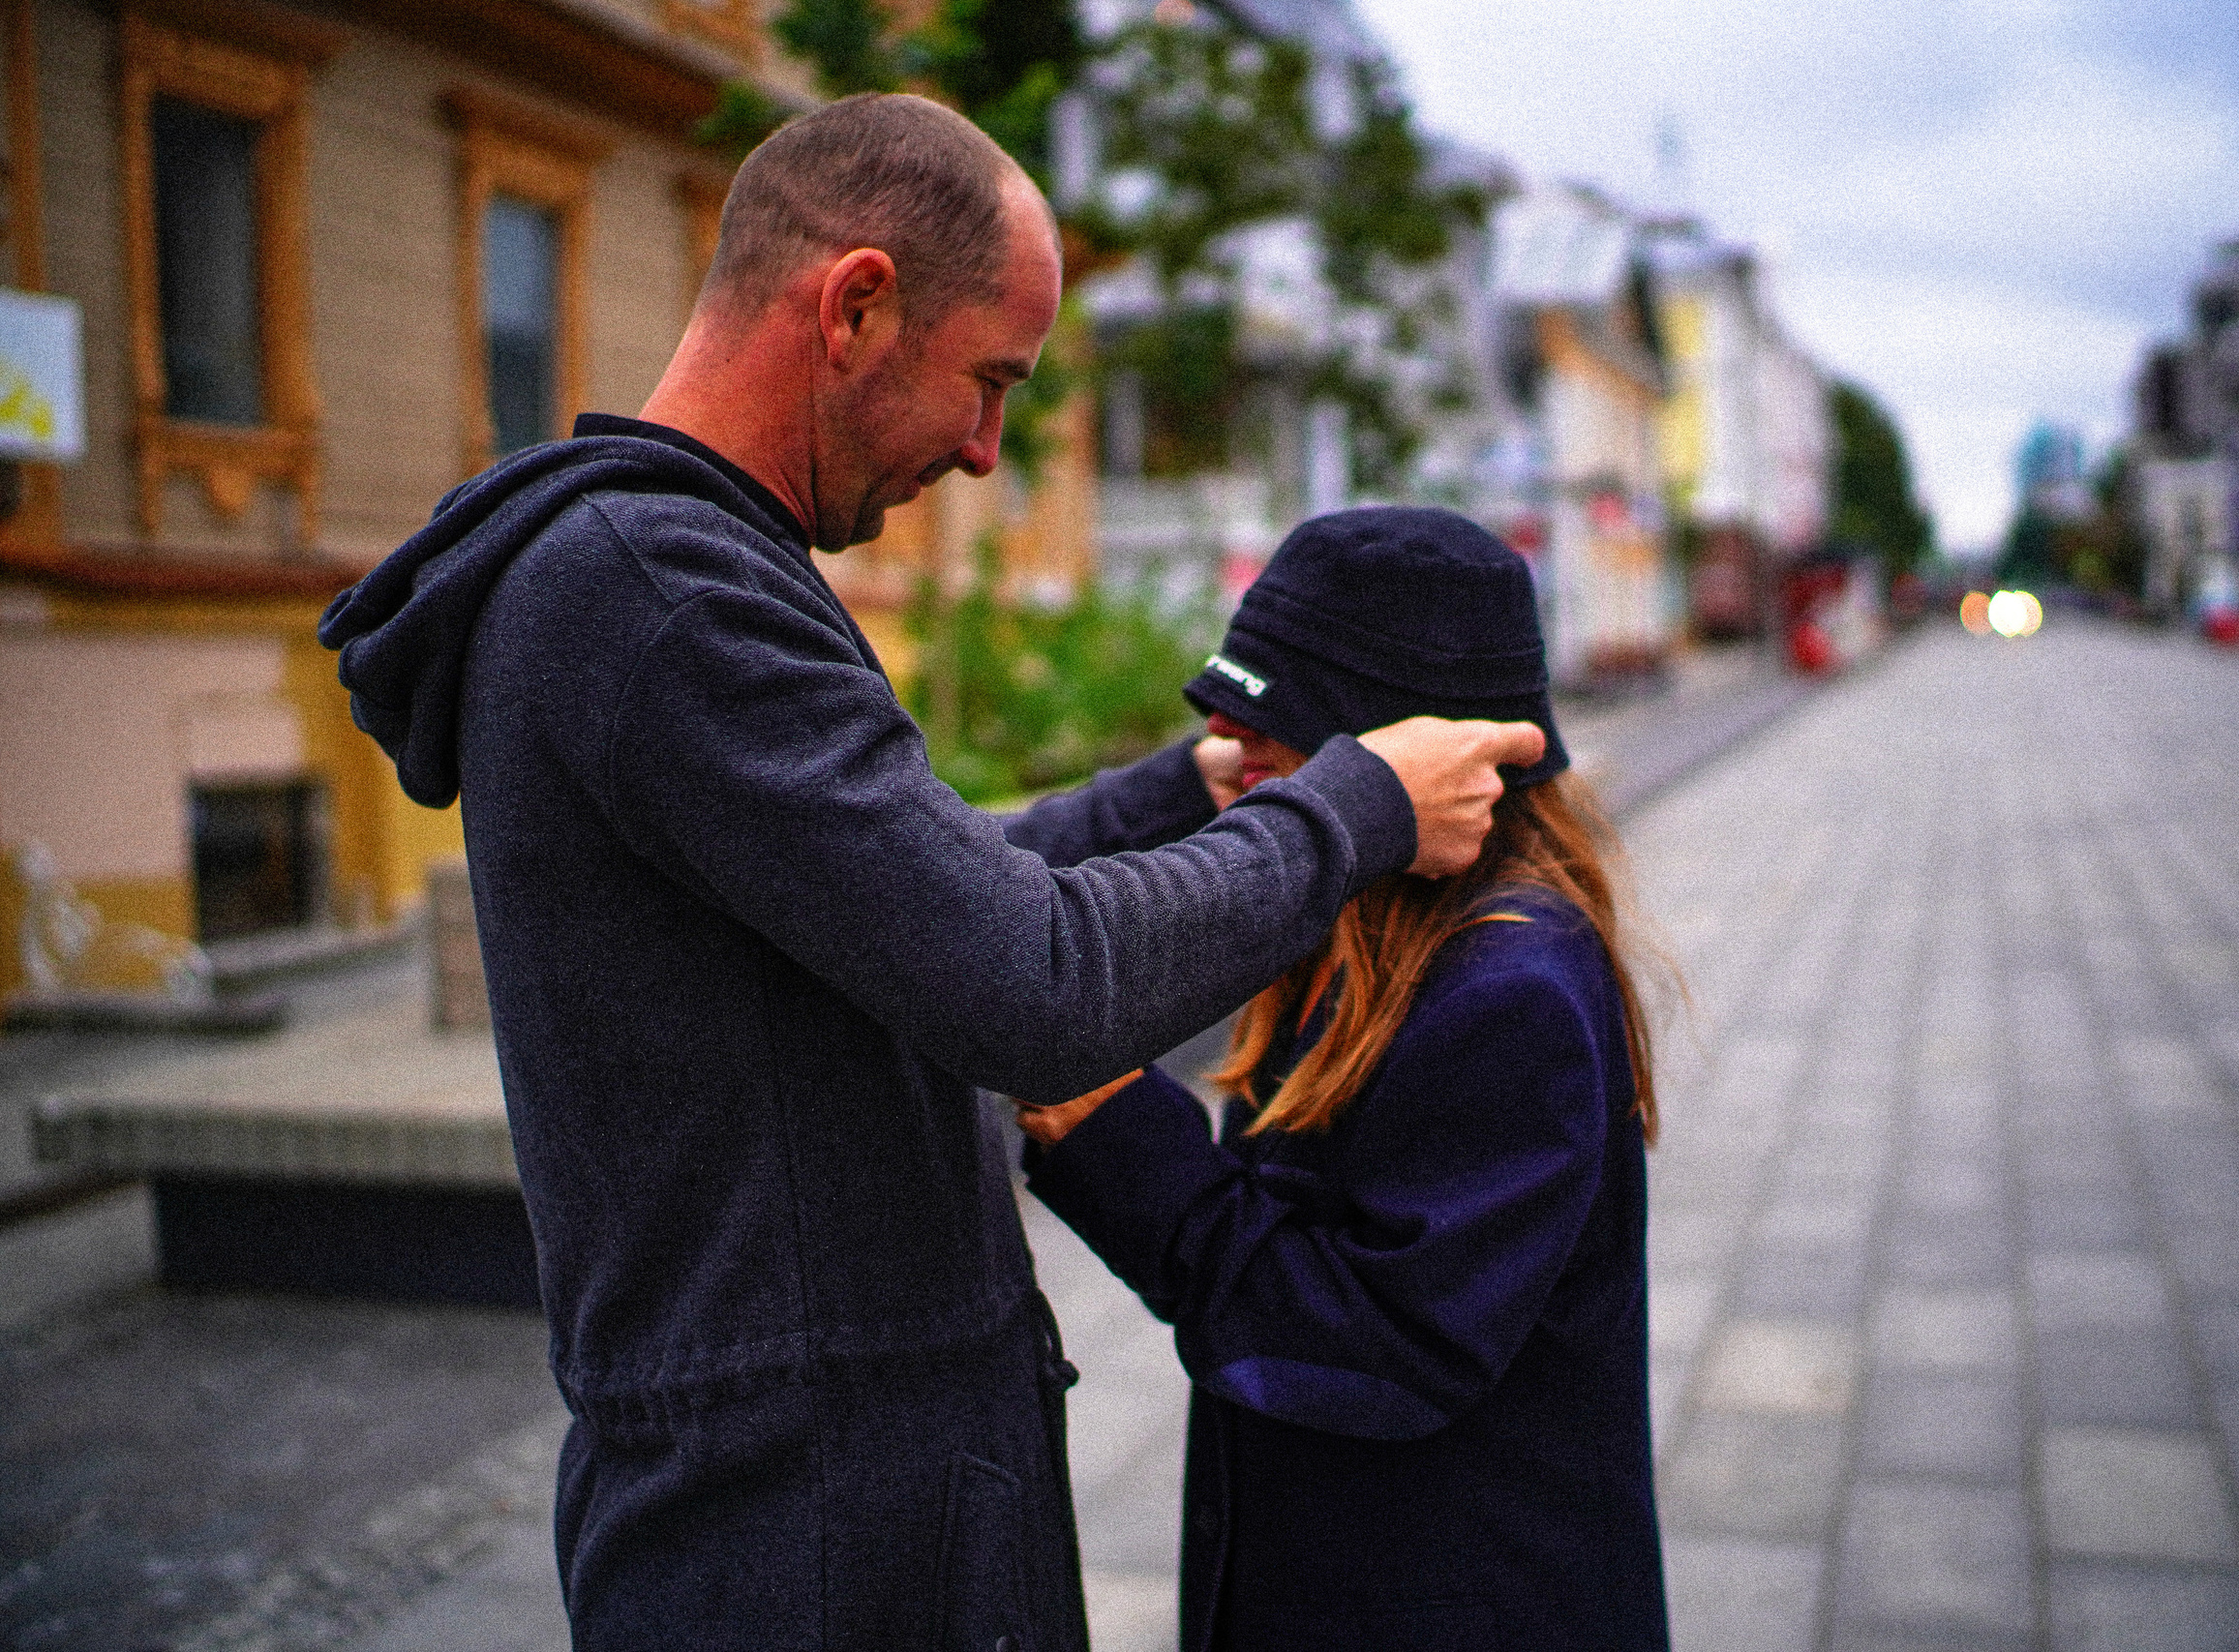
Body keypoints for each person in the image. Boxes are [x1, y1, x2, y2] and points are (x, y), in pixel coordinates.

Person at [318, 97, 1539, 1651]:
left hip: (832, 1496)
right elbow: (1026, 982)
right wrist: (1353, 809)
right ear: (856, 304)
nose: (983, 448)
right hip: (818, 1540)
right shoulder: (666, 595)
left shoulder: (676, 575)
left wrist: (1175, 794)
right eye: (990, 382)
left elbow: (903, 902)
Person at [1018, 507, 1673, 1652]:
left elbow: (1378, 1345)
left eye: (1273, 711)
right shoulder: (1373, 929)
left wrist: (1120, 1139)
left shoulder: (1508, 986)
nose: (1221, 734)